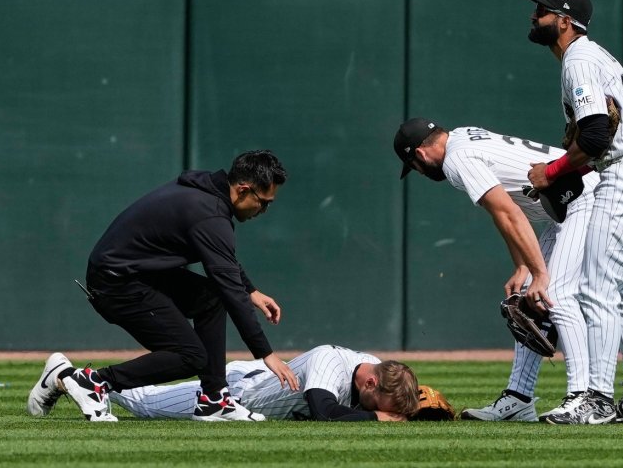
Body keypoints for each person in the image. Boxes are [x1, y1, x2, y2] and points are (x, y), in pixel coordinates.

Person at [27, 150, 299, 422]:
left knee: (211, 298)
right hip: (116, 284)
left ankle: (214, 400)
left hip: (132, 274)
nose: (263, 211)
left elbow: (223, 260)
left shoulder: (208, 193)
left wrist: (251, 291)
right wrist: (266, 354)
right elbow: (230, 288)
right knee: (191, 356)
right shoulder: (210, 214)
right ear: (243, 190)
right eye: (263, 202)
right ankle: (92, 382)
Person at [523, 0, 623, 424]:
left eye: (543, 11)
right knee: (617, 288)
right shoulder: (592, 55)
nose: (535, 17)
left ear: (564, 22)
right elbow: (596, 138)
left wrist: (550, 173)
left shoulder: (579, 60)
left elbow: (593, 136)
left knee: (596, 289)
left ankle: (597, 398)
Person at [393, 118, 595, 423]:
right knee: (529, 301)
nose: (420, 174)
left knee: (556, 295)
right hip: (568, 203)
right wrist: (523, 266)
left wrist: (538, 273)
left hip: (582, 196)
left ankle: (583, 397)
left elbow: (508, 212)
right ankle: (519, 397)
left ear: (419, 155)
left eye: (415, 167)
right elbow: (503, 209)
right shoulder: (462, 137)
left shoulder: (456, 159)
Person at [31, 345, 419, 422]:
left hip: (252, 386)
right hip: (239, 392)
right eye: (380, 402)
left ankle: (75, 378)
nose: (382, 410)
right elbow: (323, 410)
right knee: (147, 403)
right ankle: (71, 375)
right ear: (369, 382)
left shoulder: (375, 369)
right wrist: (377, 420)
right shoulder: (331, 362)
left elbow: (398, 390)